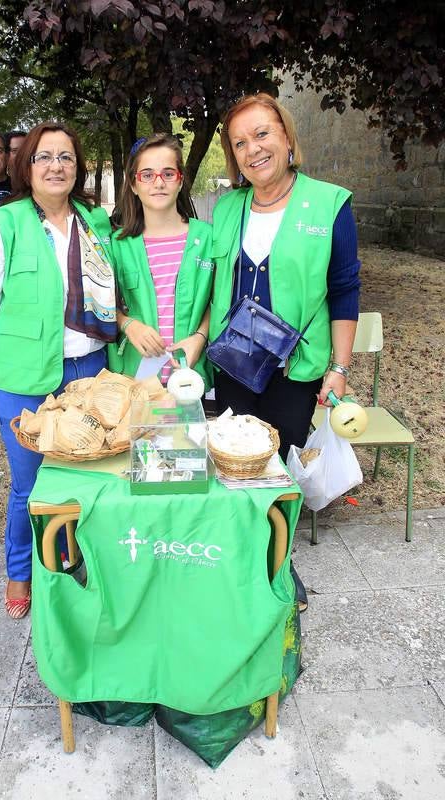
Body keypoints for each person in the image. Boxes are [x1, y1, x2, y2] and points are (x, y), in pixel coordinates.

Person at [0, 121, 117, 619]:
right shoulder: (2, 226)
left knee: (88, 476)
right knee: (30, 483)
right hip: (23, 378)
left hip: (90, 369)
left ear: (78, 168)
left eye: (66, 157)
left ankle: (76, 559)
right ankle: (21, 571)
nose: (56, 166)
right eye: (44, 157)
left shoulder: (96, 221)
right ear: (26, 166)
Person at [210, 93, 361, 610]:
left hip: (295, 367)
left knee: (279, 465)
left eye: (262, 134)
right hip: (234, 362)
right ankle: (238, 555)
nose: (253, 149)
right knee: (232, 463)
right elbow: (206, 280)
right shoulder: (227, 208)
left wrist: (339, 368)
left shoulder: (329, 203)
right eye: (240, 142)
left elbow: (344, 289)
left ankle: (278, 561)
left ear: (287, 137)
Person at [108, 134, 213, 388]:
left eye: (168, 173)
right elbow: (100, 302)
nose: (158, 183)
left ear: (180, 180)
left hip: (188, 379)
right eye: (147, 174)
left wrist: (200, 337)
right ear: (134, 184)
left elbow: (218, 300)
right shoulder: (117, 244)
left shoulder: (208, 238)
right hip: (134, 379)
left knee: (187, 430)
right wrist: (128, 324)